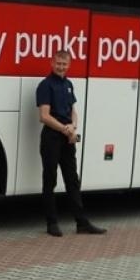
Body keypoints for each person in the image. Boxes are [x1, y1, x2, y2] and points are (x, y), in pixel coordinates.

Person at [37, 49, 104, 237]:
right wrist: (64, 129)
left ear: (69, 65)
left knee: (72, 180)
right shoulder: (45, 85)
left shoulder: (68, 85)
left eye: (64, 64)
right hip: (51, 138)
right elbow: (44, 116)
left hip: (67, 138)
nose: (61, 67)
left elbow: (73, 111)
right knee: (50, 180)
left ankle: (81, 223)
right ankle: (51, 223)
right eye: (58, 63)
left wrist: (73, 127)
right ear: (52, 63)